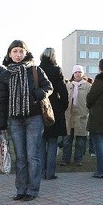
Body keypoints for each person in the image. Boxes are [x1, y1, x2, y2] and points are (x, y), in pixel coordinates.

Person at [0, 40, 52, 201]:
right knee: (20, 157)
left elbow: (49, 87)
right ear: (9, 53)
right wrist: (1, 125)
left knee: (32, 156)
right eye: (15, 51)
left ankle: (32, 190)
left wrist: (39, 93)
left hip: (34, 117)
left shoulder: (35, 70)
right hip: (15, 120)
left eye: (21, 51)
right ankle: (21, 189)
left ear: (26, 53)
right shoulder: (5, 75)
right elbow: (2, 101)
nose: (18, 54)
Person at [39, 48, 69, 180]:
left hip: (40, 107)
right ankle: (50, 173)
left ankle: (40, 172)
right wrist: (63, 106)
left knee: (41, 142)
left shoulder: (37, 70)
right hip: (54, 108)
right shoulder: (57, 70)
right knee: (52, 142)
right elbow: (63, 90)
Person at [62, 65, 90, 166]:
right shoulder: (68, 85)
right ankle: (65, 159)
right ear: (73, 74)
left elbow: (90, 100)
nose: (78, 74)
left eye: (79, 72)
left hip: (81, 115)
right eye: (76, 72)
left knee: (80, 140)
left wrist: (87, 110)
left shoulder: (87, 86)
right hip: (69, 115)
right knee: (67, 139)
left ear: (82, 74)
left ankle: (78, 159)